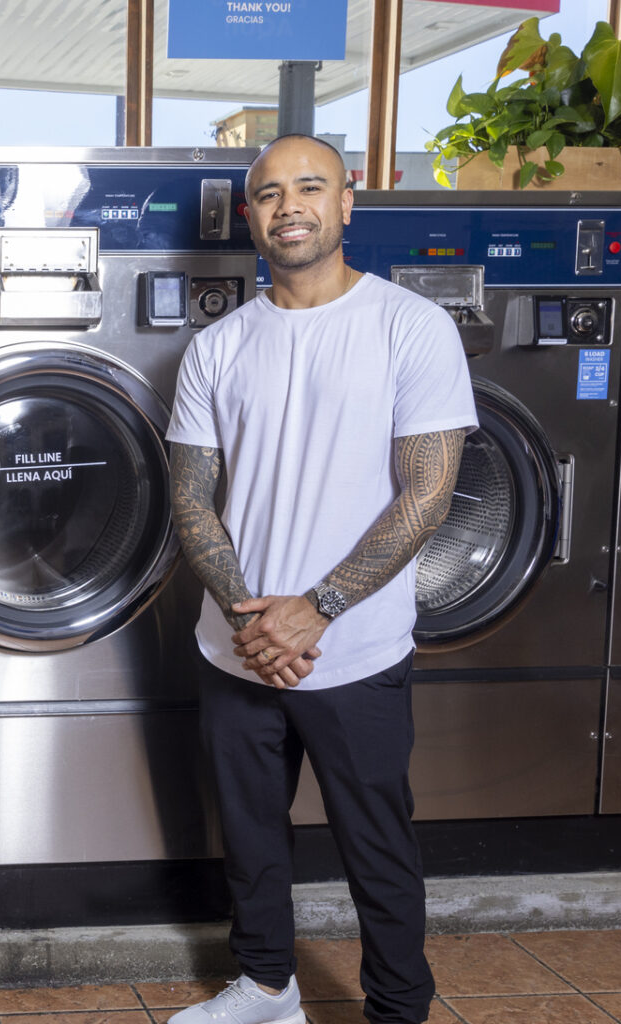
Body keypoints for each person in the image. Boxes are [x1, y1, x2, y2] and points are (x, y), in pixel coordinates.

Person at [163, 134, 476, 1024]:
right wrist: (249, 617)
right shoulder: (218, 346)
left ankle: (398, 1009)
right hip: (239, 647)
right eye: (267, 193)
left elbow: (428, 493)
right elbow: (191, 498)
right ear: (248, 216)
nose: (287, 205)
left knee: (376, 845)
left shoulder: (408, 326)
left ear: (348, 203)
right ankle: (267, 988)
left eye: (310, 187)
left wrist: (318, 608)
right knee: (252, 839)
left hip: (356, 648)